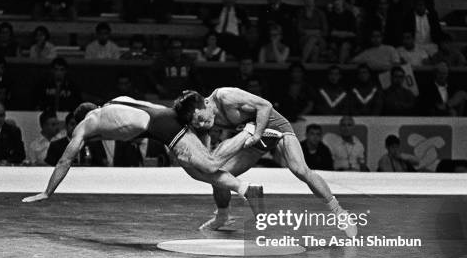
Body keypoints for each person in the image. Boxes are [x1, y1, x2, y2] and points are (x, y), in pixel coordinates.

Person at [22, 96, 267, 214]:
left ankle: (249, 131)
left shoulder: (87, 123)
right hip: (163, 118)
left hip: (160, 126)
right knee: (196, 172)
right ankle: (247, 189)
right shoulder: (115, 102)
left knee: (210, 163)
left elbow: (65, 159)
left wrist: (47, 192)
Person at [173, 89, 358, 237]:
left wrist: (257, 134)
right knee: (218, 175)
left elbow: (265, 105)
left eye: (201, 119)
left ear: (205, 103)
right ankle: (222, 216)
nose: (202, 125)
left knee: (300, 170)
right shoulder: (203, 119)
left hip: (274, 127)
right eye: (196, 124)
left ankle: (340, 212)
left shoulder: (225, 97)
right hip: (253, 133)